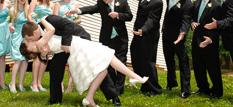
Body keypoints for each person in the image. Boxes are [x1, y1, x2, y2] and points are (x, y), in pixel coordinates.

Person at [20, 17, 148, 107]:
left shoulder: (49, 21)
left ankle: (113, 97)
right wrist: (46, 52)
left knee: (98, 65)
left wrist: (65, 44)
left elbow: (68, 26)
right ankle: (55, 100)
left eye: (29, 38)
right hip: (61, 50)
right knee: (54, 70)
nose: (30, 41)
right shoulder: (38, 40)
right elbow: (43, 55)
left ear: (34, 32)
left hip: (77, 39)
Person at [64, 0, 132, 104]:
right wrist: (76, 11)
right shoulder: (101, 4)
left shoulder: (123, 2)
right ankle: (114, 93)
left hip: (121, 39)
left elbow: (129, 16)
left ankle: (119, 89)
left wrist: (118, 15)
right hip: (107, 40)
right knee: (108, 65)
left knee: (121, 64)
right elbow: (90, 9)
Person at [154, 0, 193, 99]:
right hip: (166, 33)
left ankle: (185, 90)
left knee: (183, 62)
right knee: (168, 59)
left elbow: (186, 21)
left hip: (178, 37)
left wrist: (182, 34)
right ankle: (171, 83)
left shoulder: (188, 4)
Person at [125, 0, 163, 97]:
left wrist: (143, 30)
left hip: (148, 35)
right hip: (138, 34)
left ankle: (155, 89)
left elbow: (152, 19)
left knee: (148, 61)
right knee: (136, 58)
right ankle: (145, 85)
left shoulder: (157, 0)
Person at [190, 0, 222, 99]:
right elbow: (192, 17)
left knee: (212, 67)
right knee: (198, 65)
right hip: (196, 38)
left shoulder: (216, 5)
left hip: (209, 39)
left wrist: (211, 39)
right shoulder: (196, 3)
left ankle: (217, 92)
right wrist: (192, 22)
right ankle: (203, 88)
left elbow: (218, 26)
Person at [53, 0, 81, 93]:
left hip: (74, 31)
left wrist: (72, 23)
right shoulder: (57, 4)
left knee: (72, 58)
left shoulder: (76, 4)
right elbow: (55, 19)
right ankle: (60, 84)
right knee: (61, 58)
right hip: (61, 33)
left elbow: (79, 19)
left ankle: (70, 85)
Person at [27, 0, 55, 92]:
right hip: (37, 30)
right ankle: (33, 83)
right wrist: (35, 26)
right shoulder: (35, 2)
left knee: (45, 56)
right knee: (37, 57)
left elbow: (53, 18)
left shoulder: (51, 5)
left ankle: (39, 83)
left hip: (47, 32)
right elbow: (29, 15)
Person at [8, 0, 30, 93]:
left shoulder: (28, 9)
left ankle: (20, 83)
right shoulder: (12, 10)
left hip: (26, 37)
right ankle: (12, 83)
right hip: (17, 36)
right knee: (18, 59)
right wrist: (11, 28)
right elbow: (10, 23)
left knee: (25, 60)